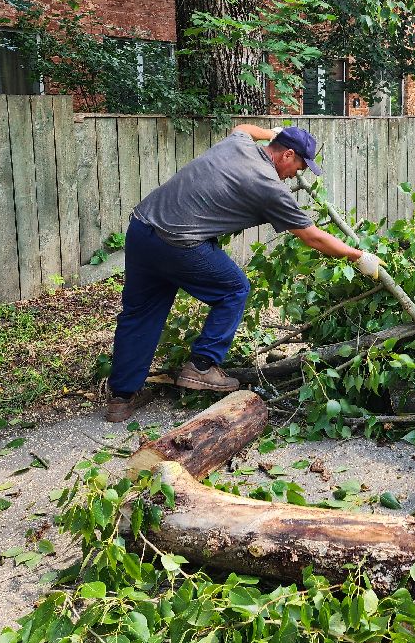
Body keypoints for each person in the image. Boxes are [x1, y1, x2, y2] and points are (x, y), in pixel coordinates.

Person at [106, 124, 381, 423]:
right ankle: (201, 366)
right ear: (287, 154)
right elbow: (312, 237)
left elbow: (242, 128)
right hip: (178, 244)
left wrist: (270, 131)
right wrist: (358, 256)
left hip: (141, 228)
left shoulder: (238, 144)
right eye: (299, 166)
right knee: (234, 289)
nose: (295, 175)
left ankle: (121, 398)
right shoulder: (269, 187)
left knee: (139, 314)